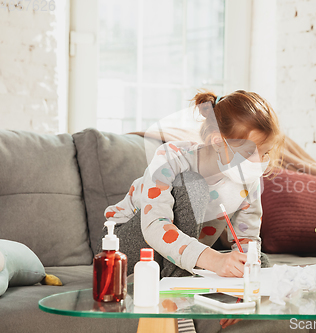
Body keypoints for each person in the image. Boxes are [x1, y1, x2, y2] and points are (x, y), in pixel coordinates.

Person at [97, 89, 284, 331]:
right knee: (190, 184)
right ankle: (177, 302)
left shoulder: (247, 177)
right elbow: (154, 227)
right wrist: (215, 260)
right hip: (124, 251)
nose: (258, 161)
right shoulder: (172, 158)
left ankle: (200, 286)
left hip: (183, 250)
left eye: (264, 153)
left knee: (259, 261)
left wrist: (246, 293)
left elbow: (247, 239)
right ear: (218, 141)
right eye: (250, 152)